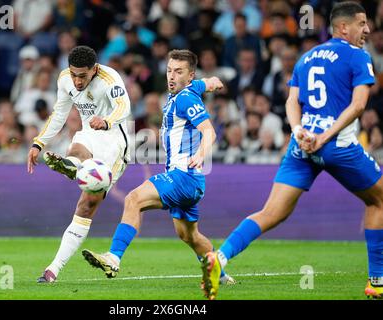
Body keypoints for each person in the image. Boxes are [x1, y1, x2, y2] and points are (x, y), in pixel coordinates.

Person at [201, 1, 383, 300]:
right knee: (379, 201)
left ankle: (219, 258)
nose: (368, 29)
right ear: (343, 27)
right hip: (335, 144)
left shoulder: (307, 57)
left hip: (302, 143)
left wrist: (298, 131)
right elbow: (359, 105)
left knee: (272, 212)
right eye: (362, 23)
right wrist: (325, 136)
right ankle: (377, 283)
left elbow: (291, 101)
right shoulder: (358, 56)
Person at [81, 49, 235, 285]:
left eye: (179, 72)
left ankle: (113, 257)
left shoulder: (186, 98)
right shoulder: (190, 89)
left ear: (189, 75)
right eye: (169, 70)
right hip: (190, 181)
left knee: (134, 199)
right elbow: (203, 84)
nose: (171, 76)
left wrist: (201, 154)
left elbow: (209, 131)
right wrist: (211, 82)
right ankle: (220, 276)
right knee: (189, 235)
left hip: (184, 176)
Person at [27, 46, 131, 283]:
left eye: (82, 76)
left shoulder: (110, 78)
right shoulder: (65, 79)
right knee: (75, 148)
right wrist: (38, 143)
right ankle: (72, 165)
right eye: (73, 74)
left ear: (94, 70)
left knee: (86, 205)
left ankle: (75, 168)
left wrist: (106, 121)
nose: (77, 80)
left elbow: (124, 108)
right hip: (88, 133)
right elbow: (59, 113)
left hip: (114, 142)